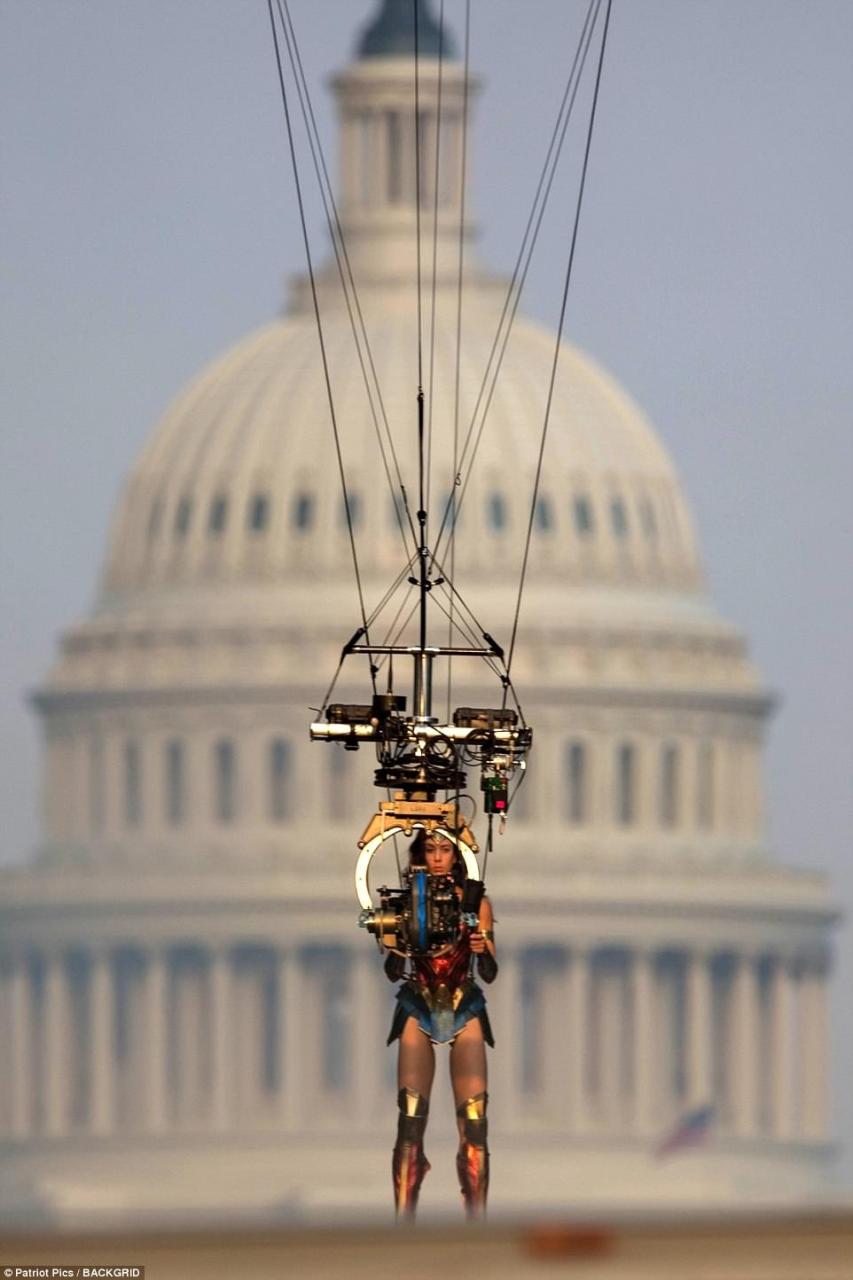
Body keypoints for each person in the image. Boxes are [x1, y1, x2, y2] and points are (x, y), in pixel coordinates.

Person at [384, 829, 498, 1218]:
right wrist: (398, 940)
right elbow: (393, 968)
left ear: (456, 855)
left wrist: (481, 948)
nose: (437, 857)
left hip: (464, 1005)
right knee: (410, 1121)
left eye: (445, 850)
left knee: (474, 1122)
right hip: (419, 1004)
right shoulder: (404, 902)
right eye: (429, 849)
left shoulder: (476, 903)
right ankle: (404, 1217)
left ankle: (476, 1218)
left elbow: (490, 970)